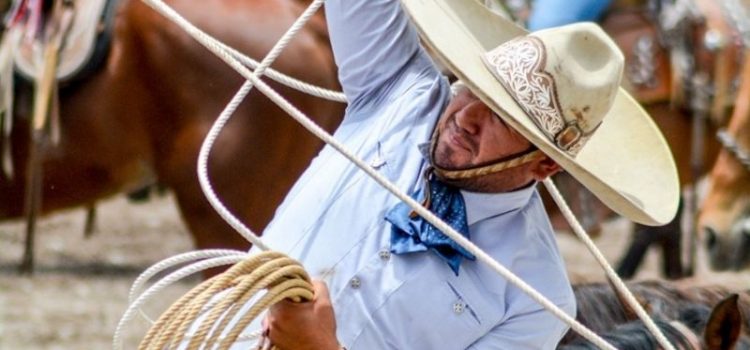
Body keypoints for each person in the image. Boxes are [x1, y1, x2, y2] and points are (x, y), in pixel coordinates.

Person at [243, 0, 679, 349]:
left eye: (504, 120)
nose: (466, 117)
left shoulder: (533, 302)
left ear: (545, 165)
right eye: (475, 85)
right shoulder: (398, 92)